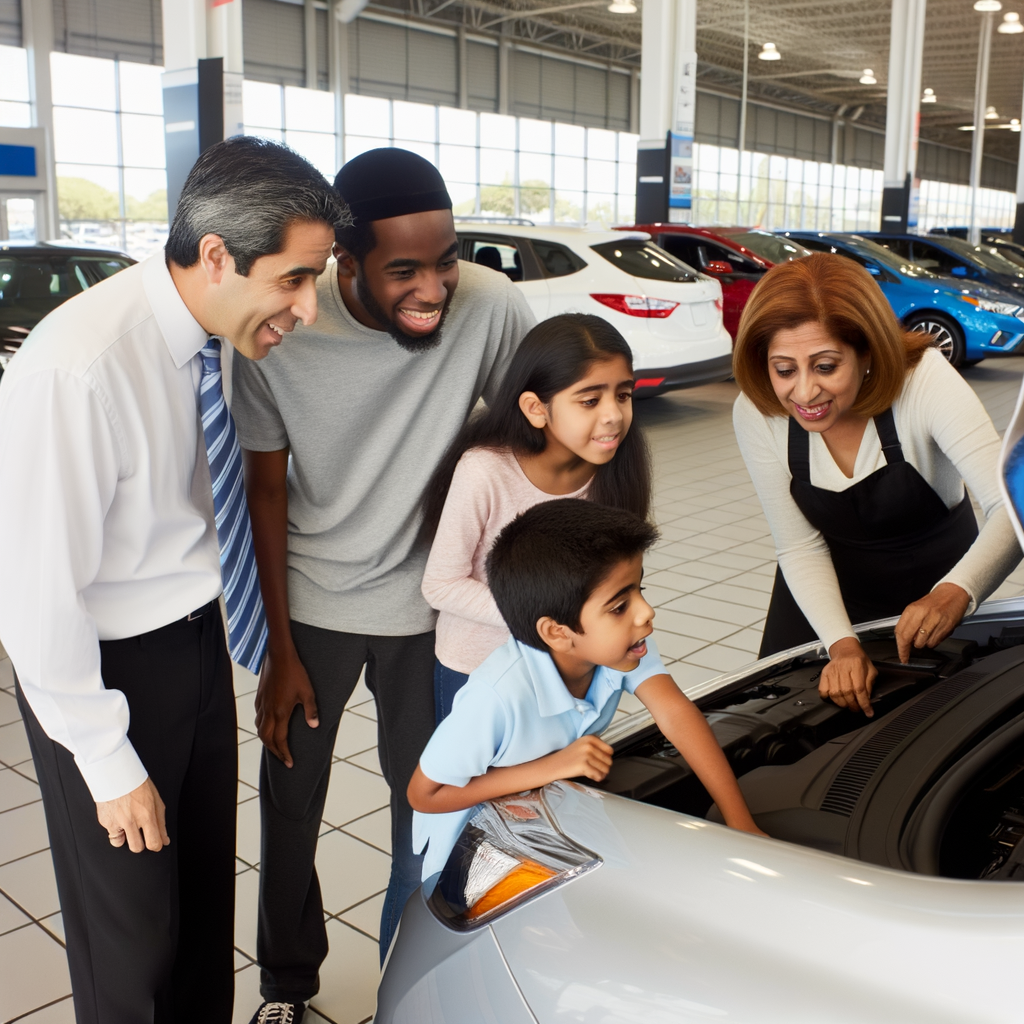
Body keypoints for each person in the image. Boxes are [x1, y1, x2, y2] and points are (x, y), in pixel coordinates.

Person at [0, 137, 344, 1024]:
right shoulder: (78, 367)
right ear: (219, 256)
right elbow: (35, 597)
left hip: (196, 645)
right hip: (104, 674)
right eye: (295, 279)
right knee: (134, 951)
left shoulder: (210, 332)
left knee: (198, 923)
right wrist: (107, 759)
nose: (307, 308)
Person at [231, 146, 535, 1018]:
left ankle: (417, 983)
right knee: (290, 807)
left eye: (446, 260)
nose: (434, 288)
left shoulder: (489, 307)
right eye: (405, 269)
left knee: (429, 815)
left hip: (431, 614)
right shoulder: (283, 329)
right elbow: (265, 488)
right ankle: (287, 986)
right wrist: (276, 649)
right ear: (344, 258)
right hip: (315, 611)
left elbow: (530, 440)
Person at [408, 498, 766, 880]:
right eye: (619, 606)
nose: (646, 613)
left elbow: (676, 714)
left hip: (544, 823)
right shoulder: (496, 696)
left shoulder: (624, 647)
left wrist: (739, 821)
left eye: (640, 590)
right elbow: (424, 795)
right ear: (557, 633)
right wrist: (552, 767)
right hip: (474, 854)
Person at [733, 252, 1021, 718]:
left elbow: (1010, 506)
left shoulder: (923, 380)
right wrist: (840, 644)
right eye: (784, 369)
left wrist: (957, 591)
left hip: (935, 588)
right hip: (822, 595)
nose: (803, 393)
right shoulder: (757, 411)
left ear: (867, 351)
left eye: (826, 366)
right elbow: (800, 547)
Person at [420, 313, 652, 722]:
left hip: (567, 672)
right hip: (478, 669)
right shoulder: (485, 470)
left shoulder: (616, 472)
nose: (614, 415)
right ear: (535, 408)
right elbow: (441, 585)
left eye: (623, 394)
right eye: (590, 400)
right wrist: (549, 623)